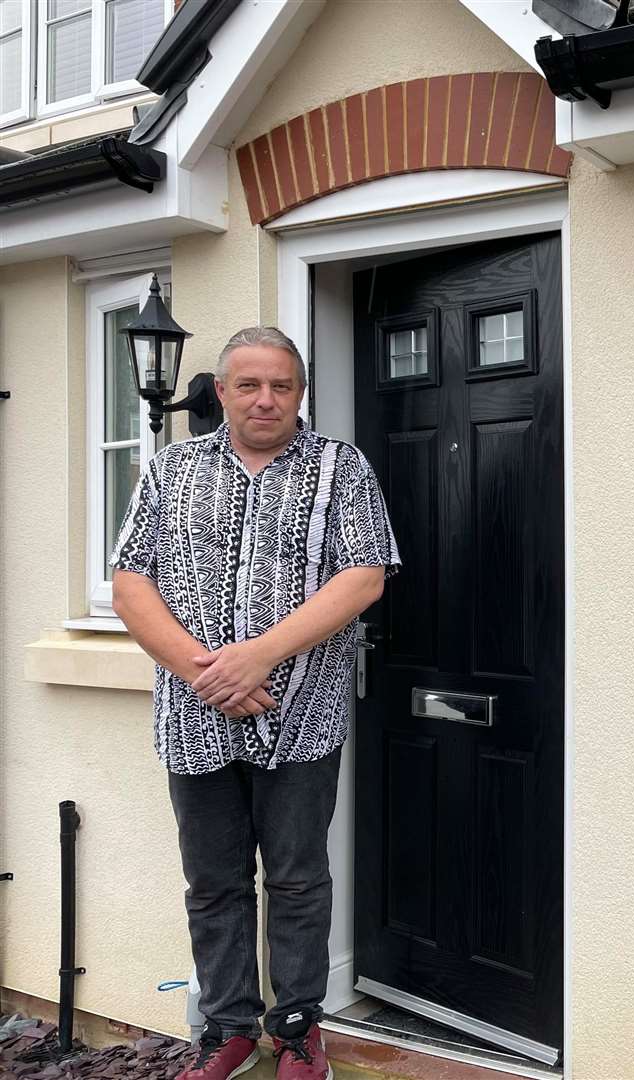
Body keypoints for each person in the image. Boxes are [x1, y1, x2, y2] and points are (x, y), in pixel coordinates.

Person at [111, 327, 400, 1080]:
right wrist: (207, 672)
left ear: (300, 393)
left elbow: (364, 575)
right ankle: (227, 1030)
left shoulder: (342, 468)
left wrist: (256, 658)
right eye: (250, 385)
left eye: (282, 385)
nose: (266, 399)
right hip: (194, 718)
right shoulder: (170, 470)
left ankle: (300, 1030)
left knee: (299, 878)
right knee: (213, 883)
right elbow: (130, 581)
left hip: (303, 717)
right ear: (223, 390)